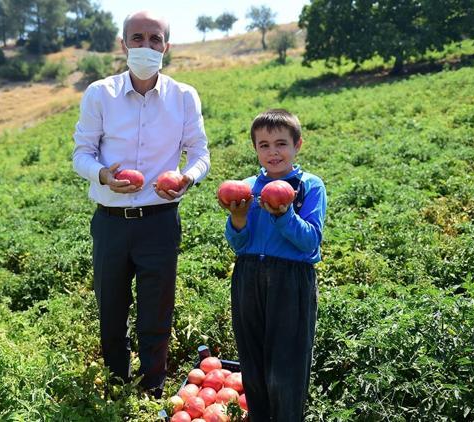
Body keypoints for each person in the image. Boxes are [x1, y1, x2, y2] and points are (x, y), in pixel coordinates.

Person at [72, 10, 210, 397]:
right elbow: (81, 153)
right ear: (123, 45)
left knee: (157, 310)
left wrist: (187, 177)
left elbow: (200, 152)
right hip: (111, 221)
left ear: (166, 46)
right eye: (137, 38)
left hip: (160, 220)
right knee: (111, 310)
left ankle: (151, 388)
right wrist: (103, 175)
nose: (145, 46)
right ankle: (117, 383)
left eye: (154, 39)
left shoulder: (183, 97)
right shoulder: (100, 93)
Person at [218, 109, 326, 421]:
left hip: (291, 278)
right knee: (252, 356)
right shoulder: (246, 187)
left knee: (286, 362)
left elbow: (310, 242)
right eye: (264, 145)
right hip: (248, 275)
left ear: (298, 145)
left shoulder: (309, 187)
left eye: (281, 143)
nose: (273, 152)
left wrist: (284, 215)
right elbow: (239, 244)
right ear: (255, 149)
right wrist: (237, 220)